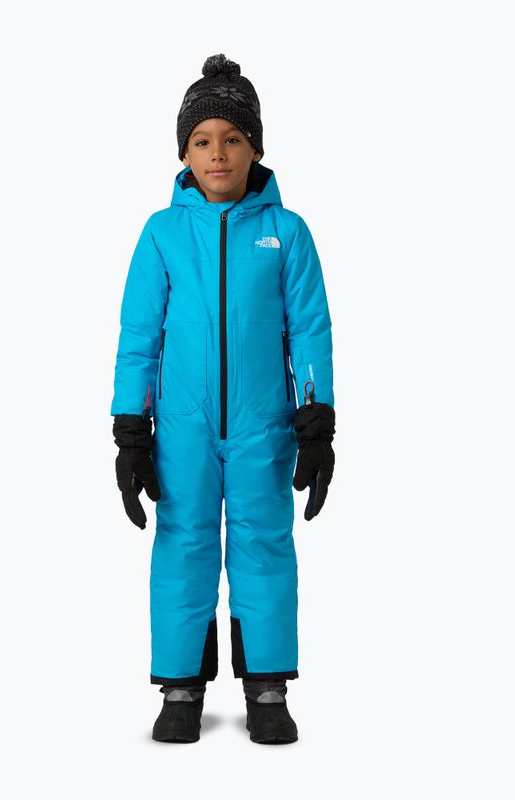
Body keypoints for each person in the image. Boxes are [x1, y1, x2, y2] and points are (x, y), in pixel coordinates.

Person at [110, 54, 336, 744]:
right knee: (184, 542)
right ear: (183, 152)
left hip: (263, 424)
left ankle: (267, 686)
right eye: (203, 140)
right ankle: (181, 686)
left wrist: (316, 419)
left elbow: (310, 330)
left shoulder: (287, 233)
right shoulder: (161, 233)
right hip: (182, 427)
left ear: (255, 149)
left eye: (233, 139)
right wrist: (130, 429)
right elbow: (139, 335)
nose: (218, 154)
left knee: (263, 542)